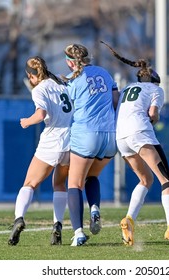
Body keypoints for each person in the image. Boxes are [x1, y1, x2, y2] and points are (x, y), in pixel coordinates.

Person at [101, 41, 169, 246]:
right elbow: (152, 113)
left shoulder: (128, 87)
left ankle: (128, 219)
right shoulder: (156, 90)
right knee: (166, 180)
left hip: (121, 138)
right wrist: (154, 120)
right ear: (155, 80)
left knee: (145, 180)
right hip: (140, 133)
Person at [8, 56, 73, 246]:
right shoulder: (61, 85)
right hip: (70, 141)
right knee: (60, 185)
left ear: (31, 75)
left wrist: (27, 122)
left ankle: (19, 219)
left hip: (51, 142)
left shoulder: (39, 89)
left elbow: (41, 114)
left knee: (29, 183)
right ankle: (57, 226)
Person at [61, 43, 119, 246]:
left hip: (86, 134)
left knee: (74, 183)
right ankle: (94, 209)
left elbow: (65, 108)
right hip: (111, 135)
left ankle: (78, 233)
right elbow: (115, 101)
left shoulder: (73, 80)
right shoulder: (104, 72)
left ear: (69, 62)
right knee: (92, 176)